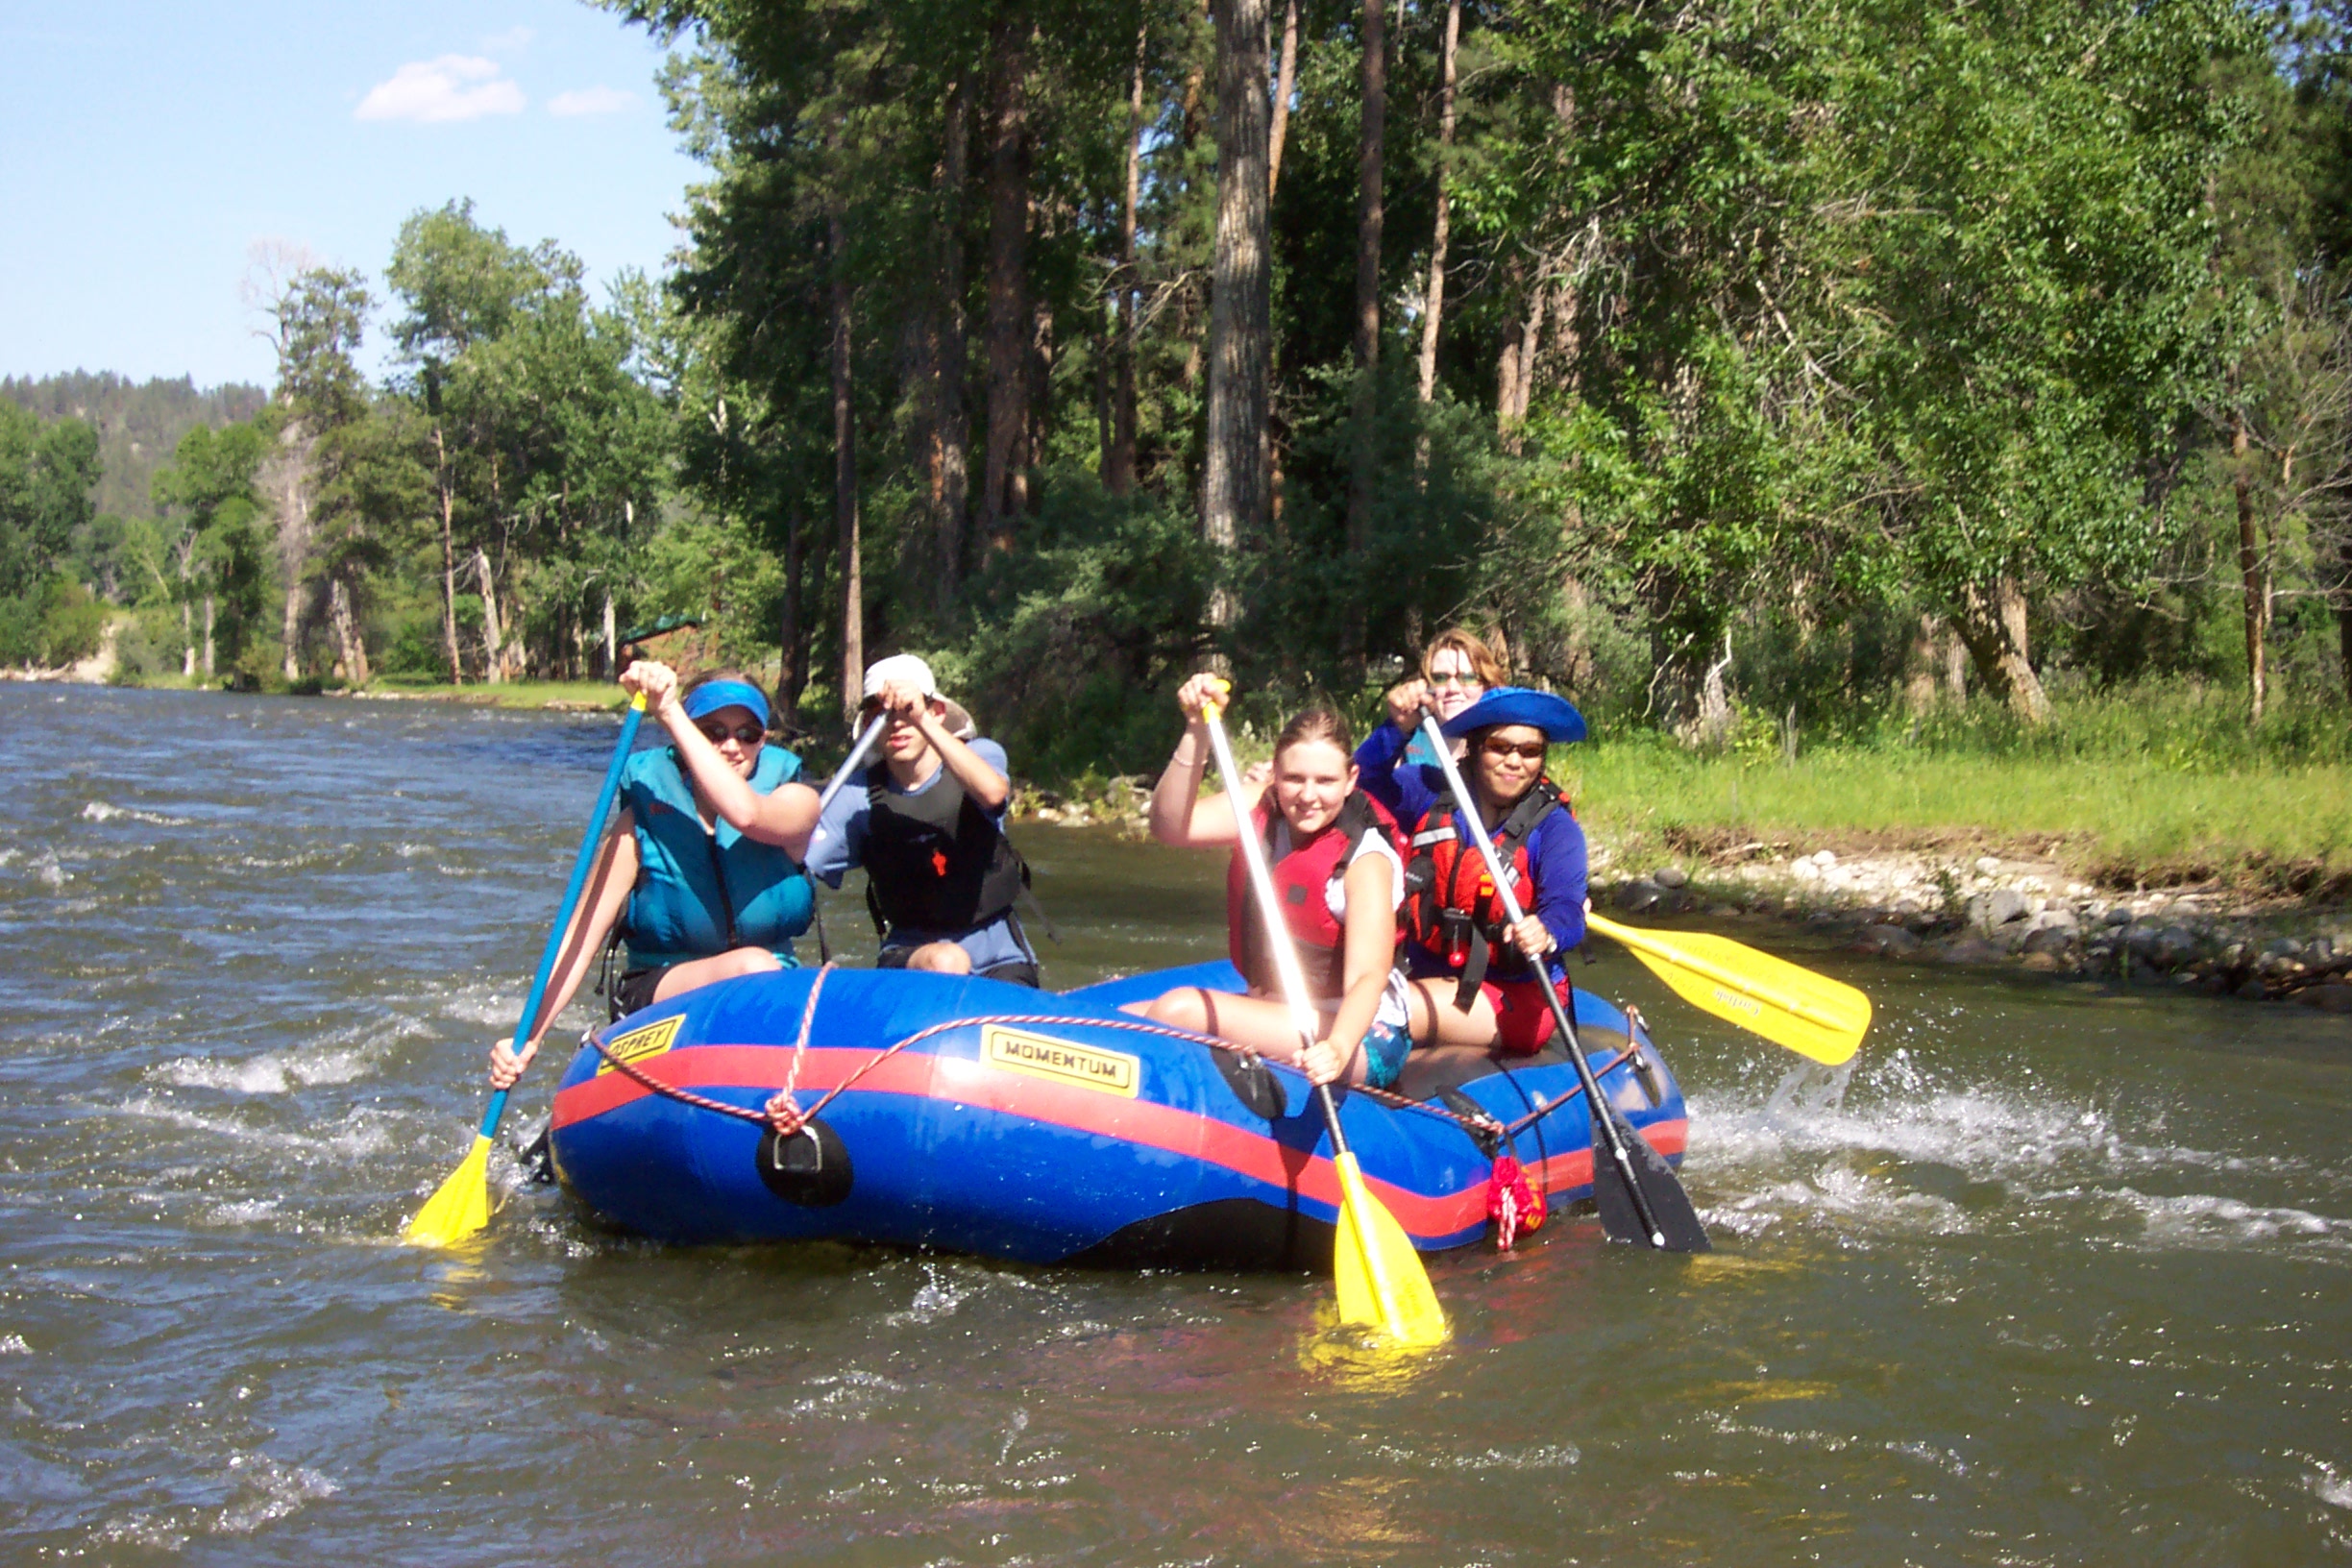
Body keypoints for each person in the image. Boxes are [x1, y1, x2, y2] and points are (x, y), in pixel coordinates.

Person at [487, 664, 821, 1090]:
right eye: (714, 731)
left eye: (747, 733)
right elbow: (579, 938)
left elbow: (747, 813)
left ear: (764, 739)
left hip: (771, 995)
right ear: (685, 737)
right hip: (661, 994)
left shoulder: (797, 803)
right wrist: (527, 1039)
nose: (732, 746)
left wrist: (670, 711)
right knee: (752, 965)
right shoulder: (638, 824)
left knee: (763, 969)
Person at [1135, 674, 1413, 1089]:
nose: (1308, 795)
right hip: (1278, 1010)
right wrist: (1195, 729)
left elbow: (1367, 977)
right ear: (1275, 775)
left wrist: (1336, 1048)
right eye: (1294, 779)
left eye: (1325, 781)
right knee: (1121, 1019)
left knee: (1179, 1010)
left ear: (1352, 780)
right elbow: (1171, 826)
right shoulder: (1261, 807)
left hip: (1361, 1033)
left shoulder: (1366, 860)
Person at [806, 654, 1040, 985]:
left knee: (957, 965)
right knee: (946, 960)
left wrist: (922, 722)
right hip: (912, 956)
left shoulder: (981, 756)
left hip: (998, 954)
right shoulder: (854, 795)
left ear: (936, 712)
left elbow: (992, 793)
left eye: (908, 711)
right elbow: (801, 868)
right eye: (883, 713)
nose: (898, 723)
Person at [1392, 685, 1590, 1062]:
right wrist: (1394, 730)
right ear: (1474, 747)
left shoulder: (1556, 829)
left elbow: (1567, 907)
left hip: (1515, 994)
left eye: (1530, 751)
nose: (1515, 761)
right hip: (1424, 970)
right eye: (1500, 746)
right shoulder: (1428, 792)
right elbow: (1356, 785)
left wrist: (1547, 931)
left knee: (1382, 1007)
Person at [1354, 627, 1507, 824]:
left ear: (1487, 685)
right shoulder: (1410, 757)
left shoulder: (1508, 749)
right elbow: (1360, 783)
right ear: (1426, 687)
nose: (1452, 688)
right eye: (1440, 678)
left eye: (1467, 677)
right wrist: (1396, 728)